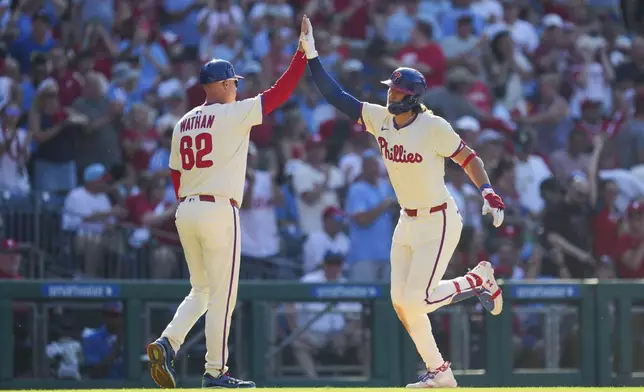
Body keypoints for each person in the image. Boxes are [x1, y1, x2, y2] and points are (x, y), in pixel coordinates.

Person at [299, 16, 505, 388]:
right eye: (389, 91)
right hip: (406, 222)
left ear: (411, 97)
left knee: (419, 298)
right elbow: (336, 97)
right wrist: (312, 55)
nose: (389, 96)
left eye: (395, 93)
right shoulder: (381, 119)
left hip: (439, 220)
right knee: (401, 304)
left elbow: (468, 158)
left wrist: (487, 191)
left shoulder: (434, 126)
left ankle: (478, 279)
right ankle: (440, 373)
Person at [146, 17, 310, 389]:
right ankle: (215, 372)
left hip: (186, 208)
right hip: (218, 208)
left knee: (201, 288)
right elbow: (279, 93)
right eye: (233, 83)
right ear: (221, 84)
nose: (236, 88)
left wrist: (191, 201)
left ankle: (168, 342)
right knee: (223, 294)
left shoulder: (183, 121)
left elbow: (175, 174)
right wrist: (301, 56)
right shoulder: (232, 113)